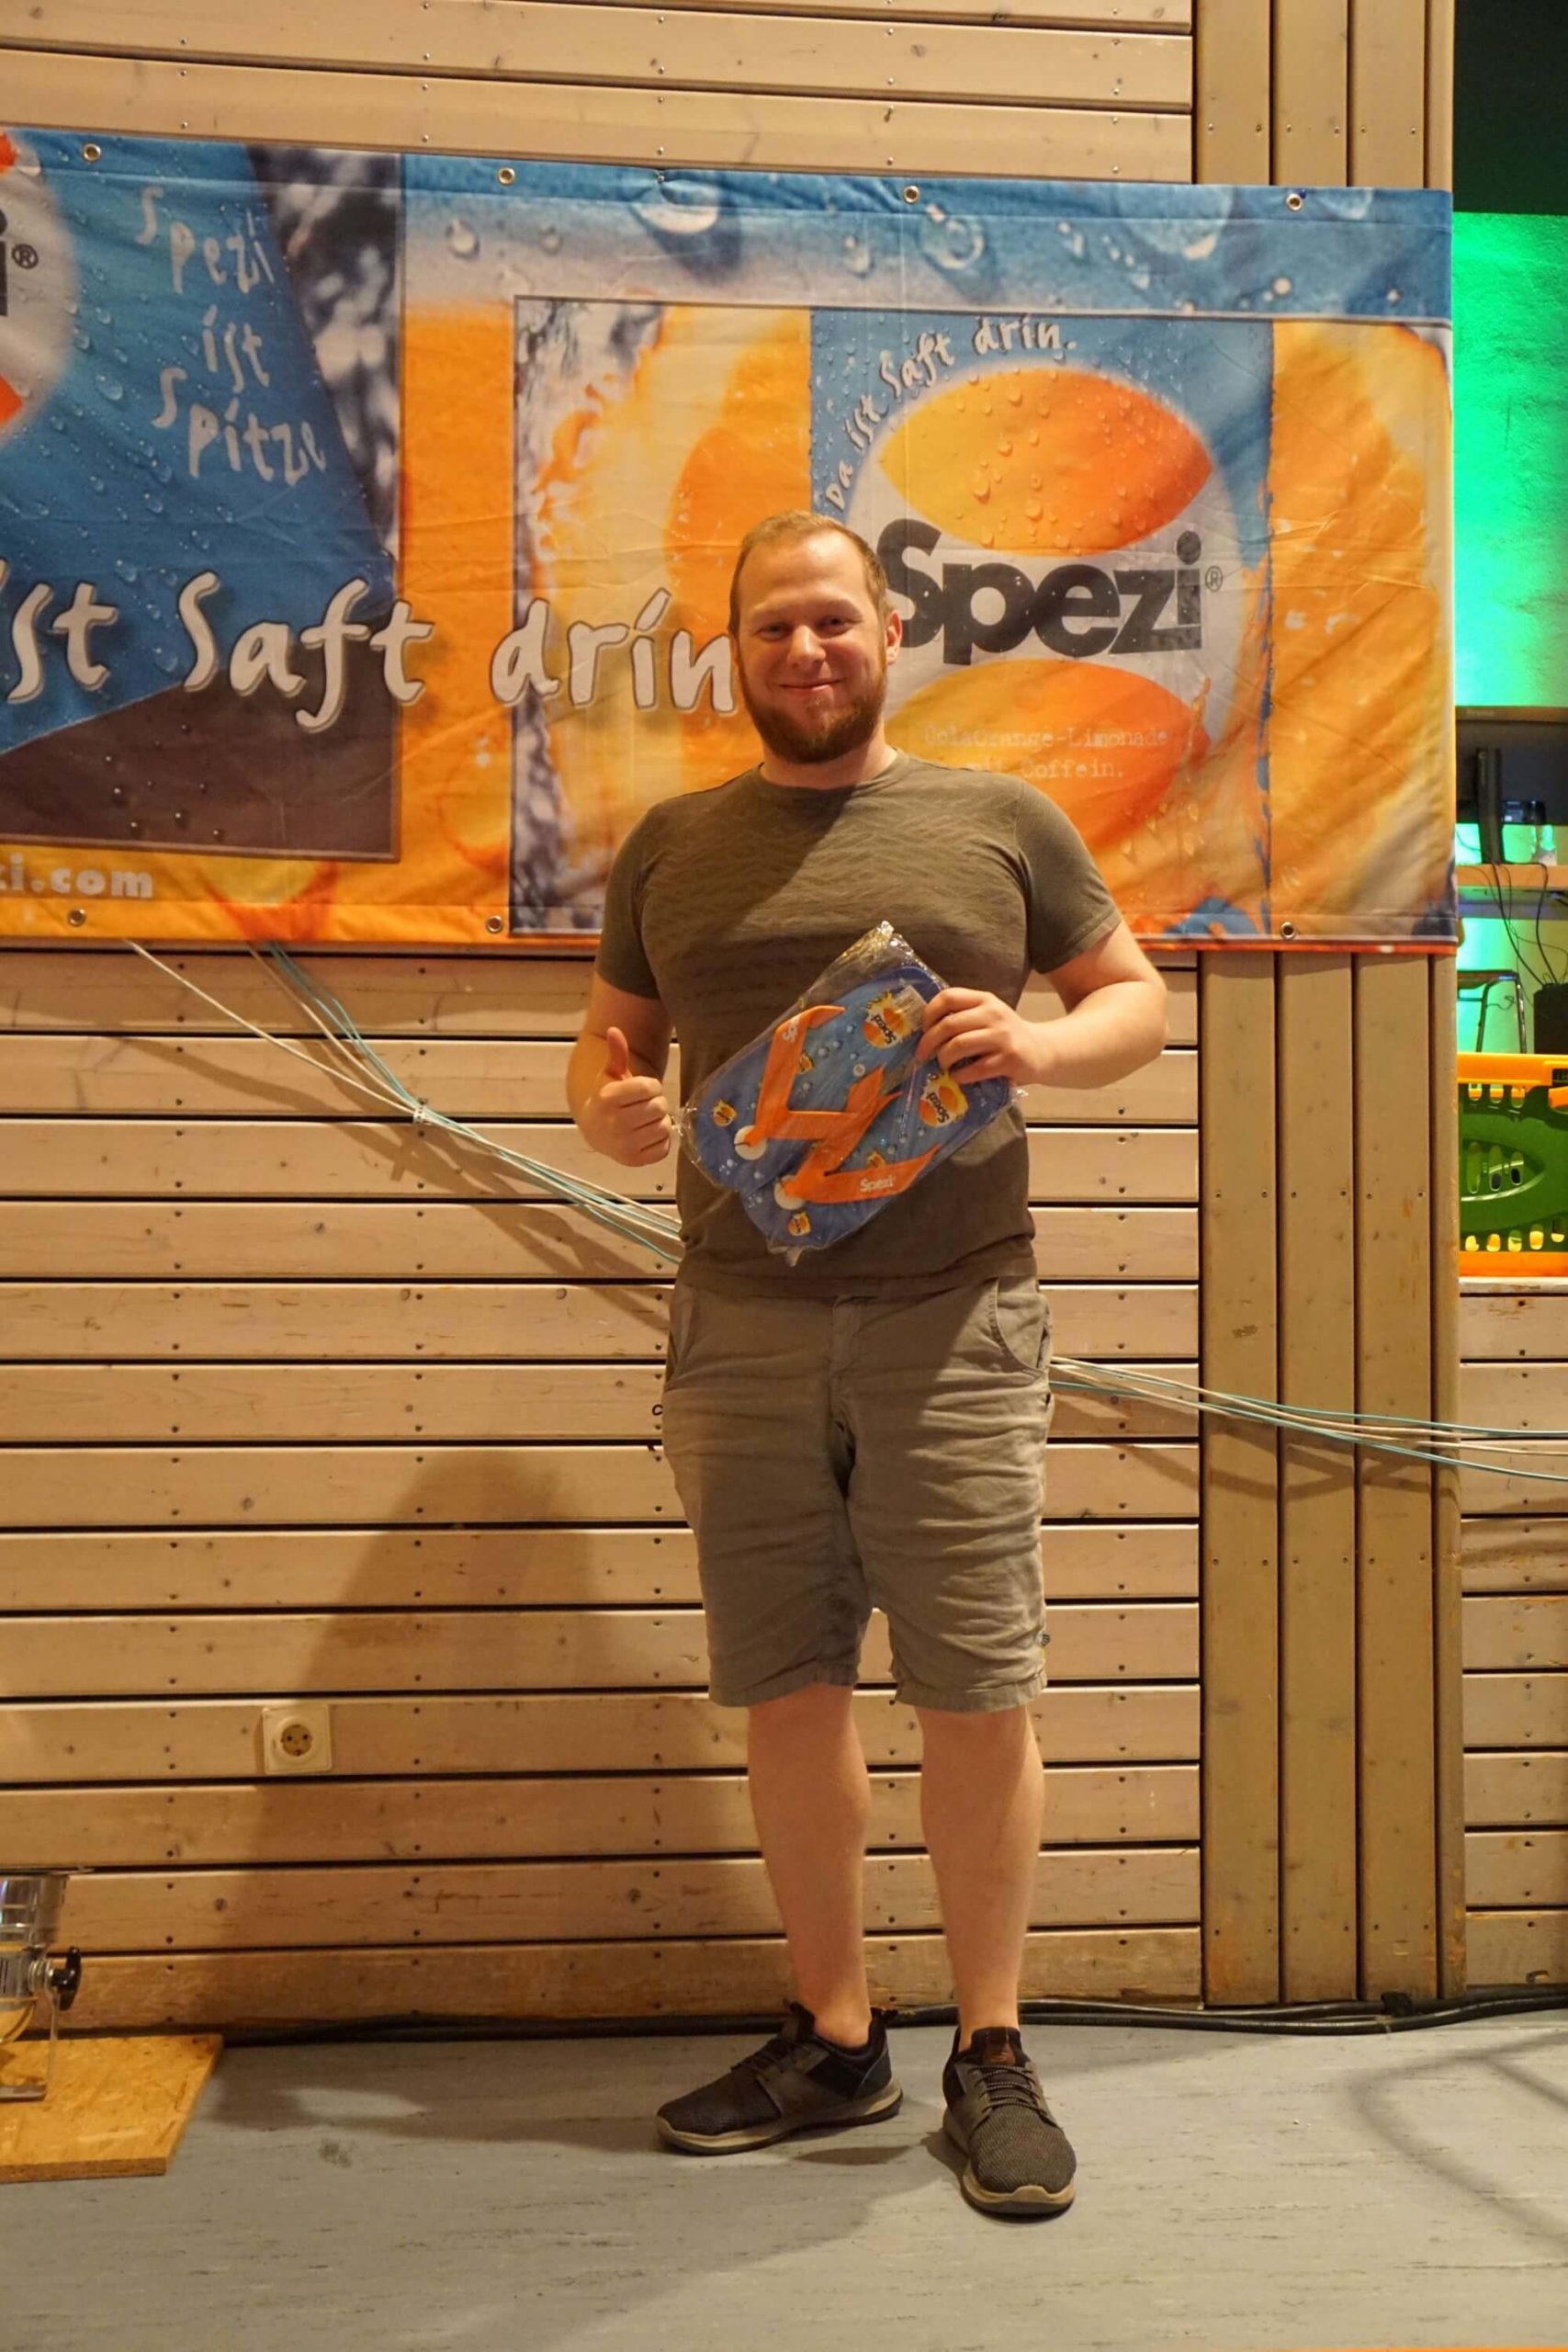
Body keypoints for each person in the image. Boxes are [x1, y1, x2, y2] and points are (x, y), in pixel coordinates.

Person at [567, 511, 1167, 2217]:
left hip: (956, 1320)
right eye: (773, 627)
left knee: (976, 1686)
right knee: (787, 1687)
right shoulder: (671, 846)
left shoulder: (1001, 822)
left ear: (891, 629)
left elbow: (1137, 1001)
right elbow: (604, 1054)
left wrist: (1039, 1046)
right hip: (736, 1326)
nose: (806, 650)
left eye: (833, 620)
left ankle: (992, 2050)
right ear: (734, 650)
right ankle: (836, 2035)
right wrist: (608, 1116)